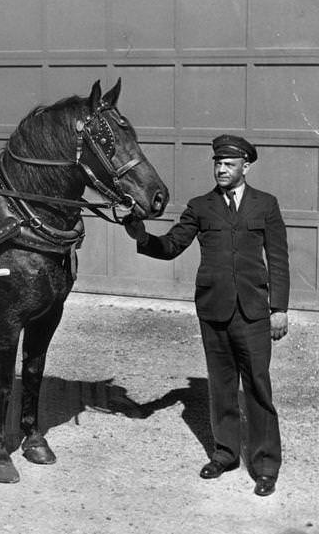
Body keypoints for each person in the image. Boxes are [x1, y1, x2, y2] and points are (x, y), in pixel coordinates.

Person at [123, 134, 289, 497]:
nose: (221, 169)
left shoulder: (266, 205)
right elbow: (170, 246)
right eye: (217, 163)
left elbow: (278, 259)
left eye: (229, 164)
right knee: (222, 386)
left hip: (254, 313)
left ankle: (264, 466)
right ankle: (226, 454)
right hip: (214, 311)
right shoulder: (201, 206)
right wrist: (141, 234)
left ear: (246, 166)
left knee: (258, 388)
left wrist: (280, 309)